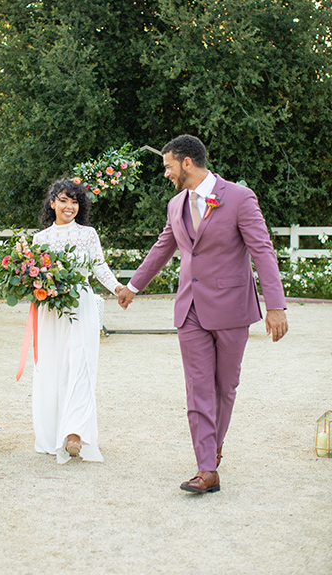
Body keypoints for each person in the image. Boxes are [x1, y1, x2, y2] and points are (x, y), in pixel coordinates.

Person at [118, 134, 288, 493]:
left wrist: (275, 306)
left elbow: (262, 251)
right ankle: (206, 468)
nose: (166, 174)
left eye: (168, 167)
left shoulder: (240, 198)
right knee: (198, 388)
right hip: (190, 310)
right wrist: (132, 287)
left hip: (231, 309)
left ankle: (214, 446)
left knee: (225, 387)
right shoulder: (175, 204)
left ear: (187, 163)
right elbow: (164, 245)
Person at [32, 178, 123, 464]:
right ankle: (54, 432)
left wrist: (119, 289)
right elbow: (33, 278)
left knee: (80, 363)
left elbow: (99, 267)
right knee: (53, 366)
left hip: (81, 305)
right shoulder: (40, 239)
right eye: (63, 200)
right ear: (52, 203)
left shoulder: (88, 234)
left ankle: (75, 432)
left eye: (74, 201)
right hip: (50, 309)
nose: (69, 206)